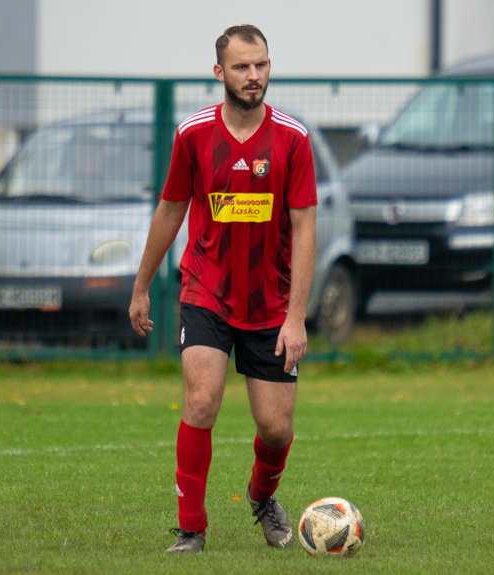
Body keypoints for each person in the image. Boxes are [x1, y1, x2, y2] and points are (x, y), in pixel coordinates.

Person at [128, 24, 317, 554]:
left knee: (276, 428)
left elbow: (305, 227)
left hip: (272, 303)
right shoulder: (192, 135)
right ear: (220, 73)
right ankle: (191, 528)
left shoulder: (293, 139)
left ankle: (262, 497)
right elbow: (170, 209)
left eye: (260, 64)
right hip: (206, 289)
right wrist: (142, 287)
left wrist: (297, 316)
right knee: (202, 399)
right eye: (241, 66)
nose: (253, 75)